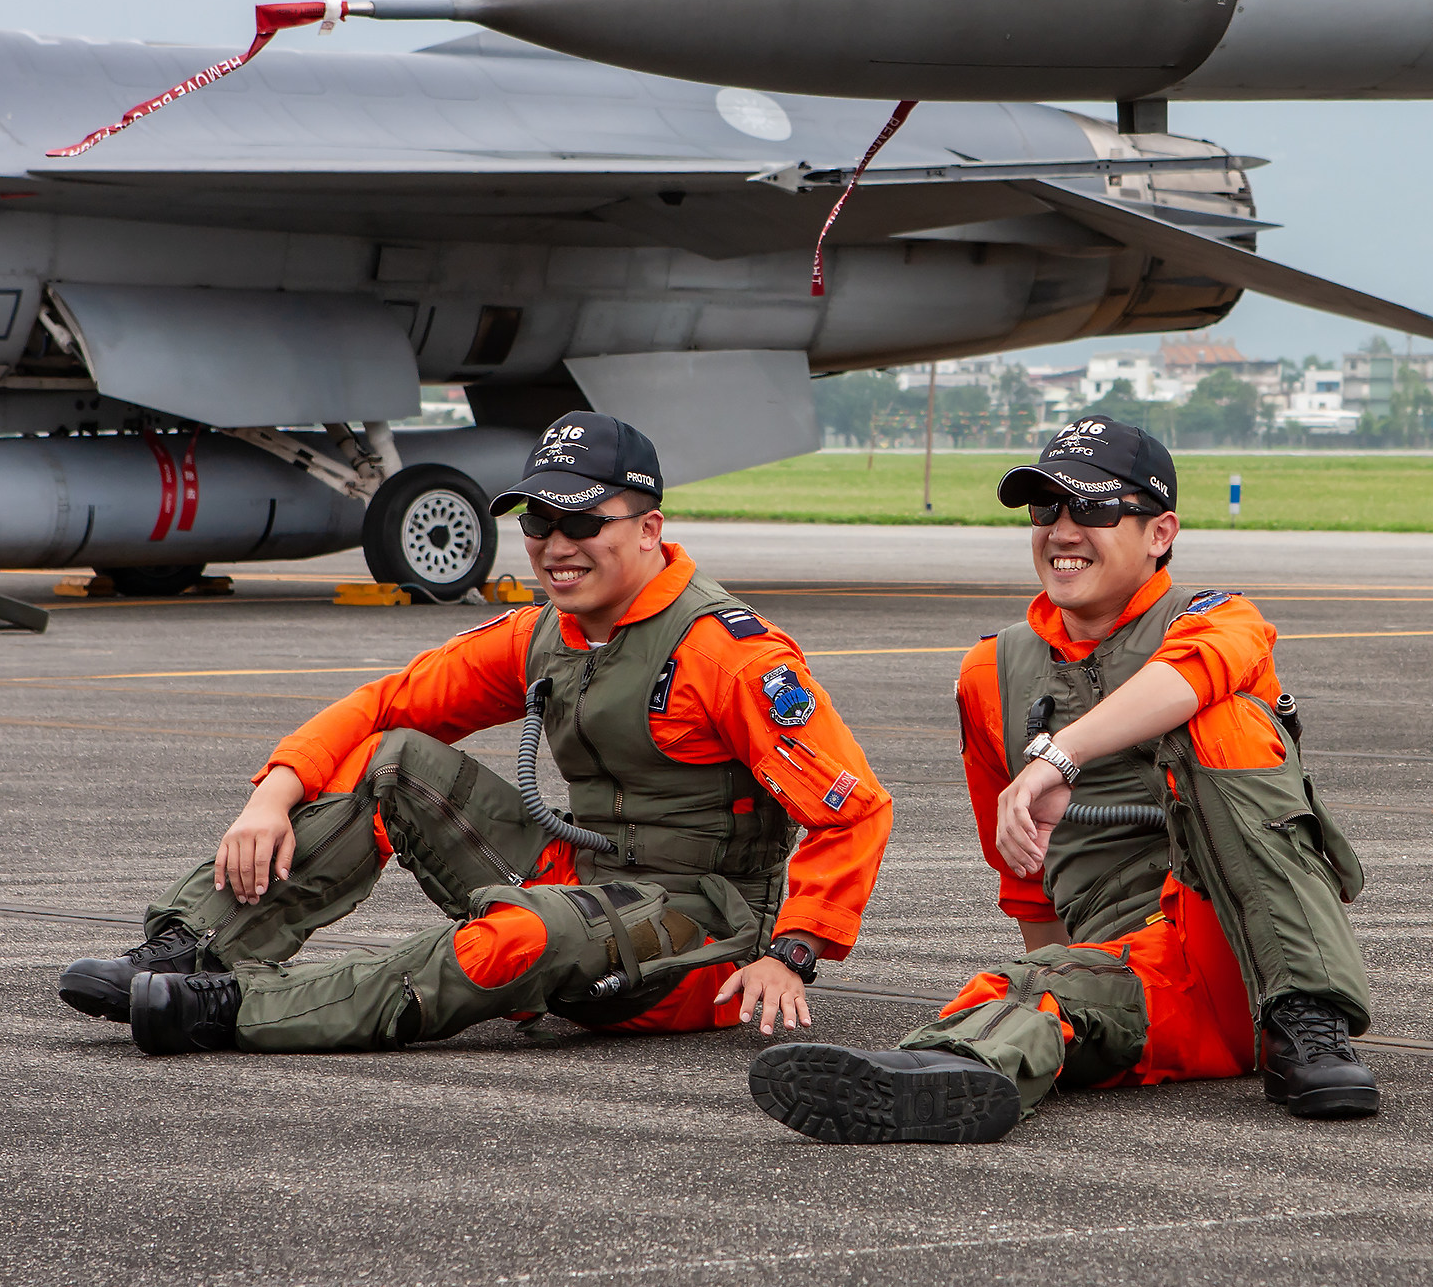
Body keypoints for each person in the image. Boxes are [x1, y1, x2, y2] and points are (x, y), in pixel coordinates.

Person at [56, 411, 890, 1056]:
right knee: (390, 760)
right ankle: (190, 951)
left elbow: (853, 809)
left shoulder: (730, 655)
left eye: (582, 522)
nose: (555, 546)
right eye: (538, 522)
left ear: (649, 528)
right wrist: (272, 796)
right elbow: (389, 704)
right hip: (583, 879)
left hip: (701, 934)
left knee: (518, 936)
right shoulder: (545, 633)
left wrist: (792, 953)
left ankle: (233, 1009)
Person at [747, 417, 1376, 1143]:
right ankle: (932, 1077)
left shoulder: (1218, 622)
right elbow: (1023, 873)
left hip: (1249, 955)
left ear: (1160, 533)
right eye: (1046, 508)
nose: (1063, 530)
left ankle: (1310, 1021)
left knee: (1223, 719)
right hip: (1141, 973)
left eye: (1094, 509)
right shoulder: (995, 671)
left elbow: (1189, 677)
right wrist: (1062, 965)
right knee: (1027, 991)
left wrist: (1058, 757)